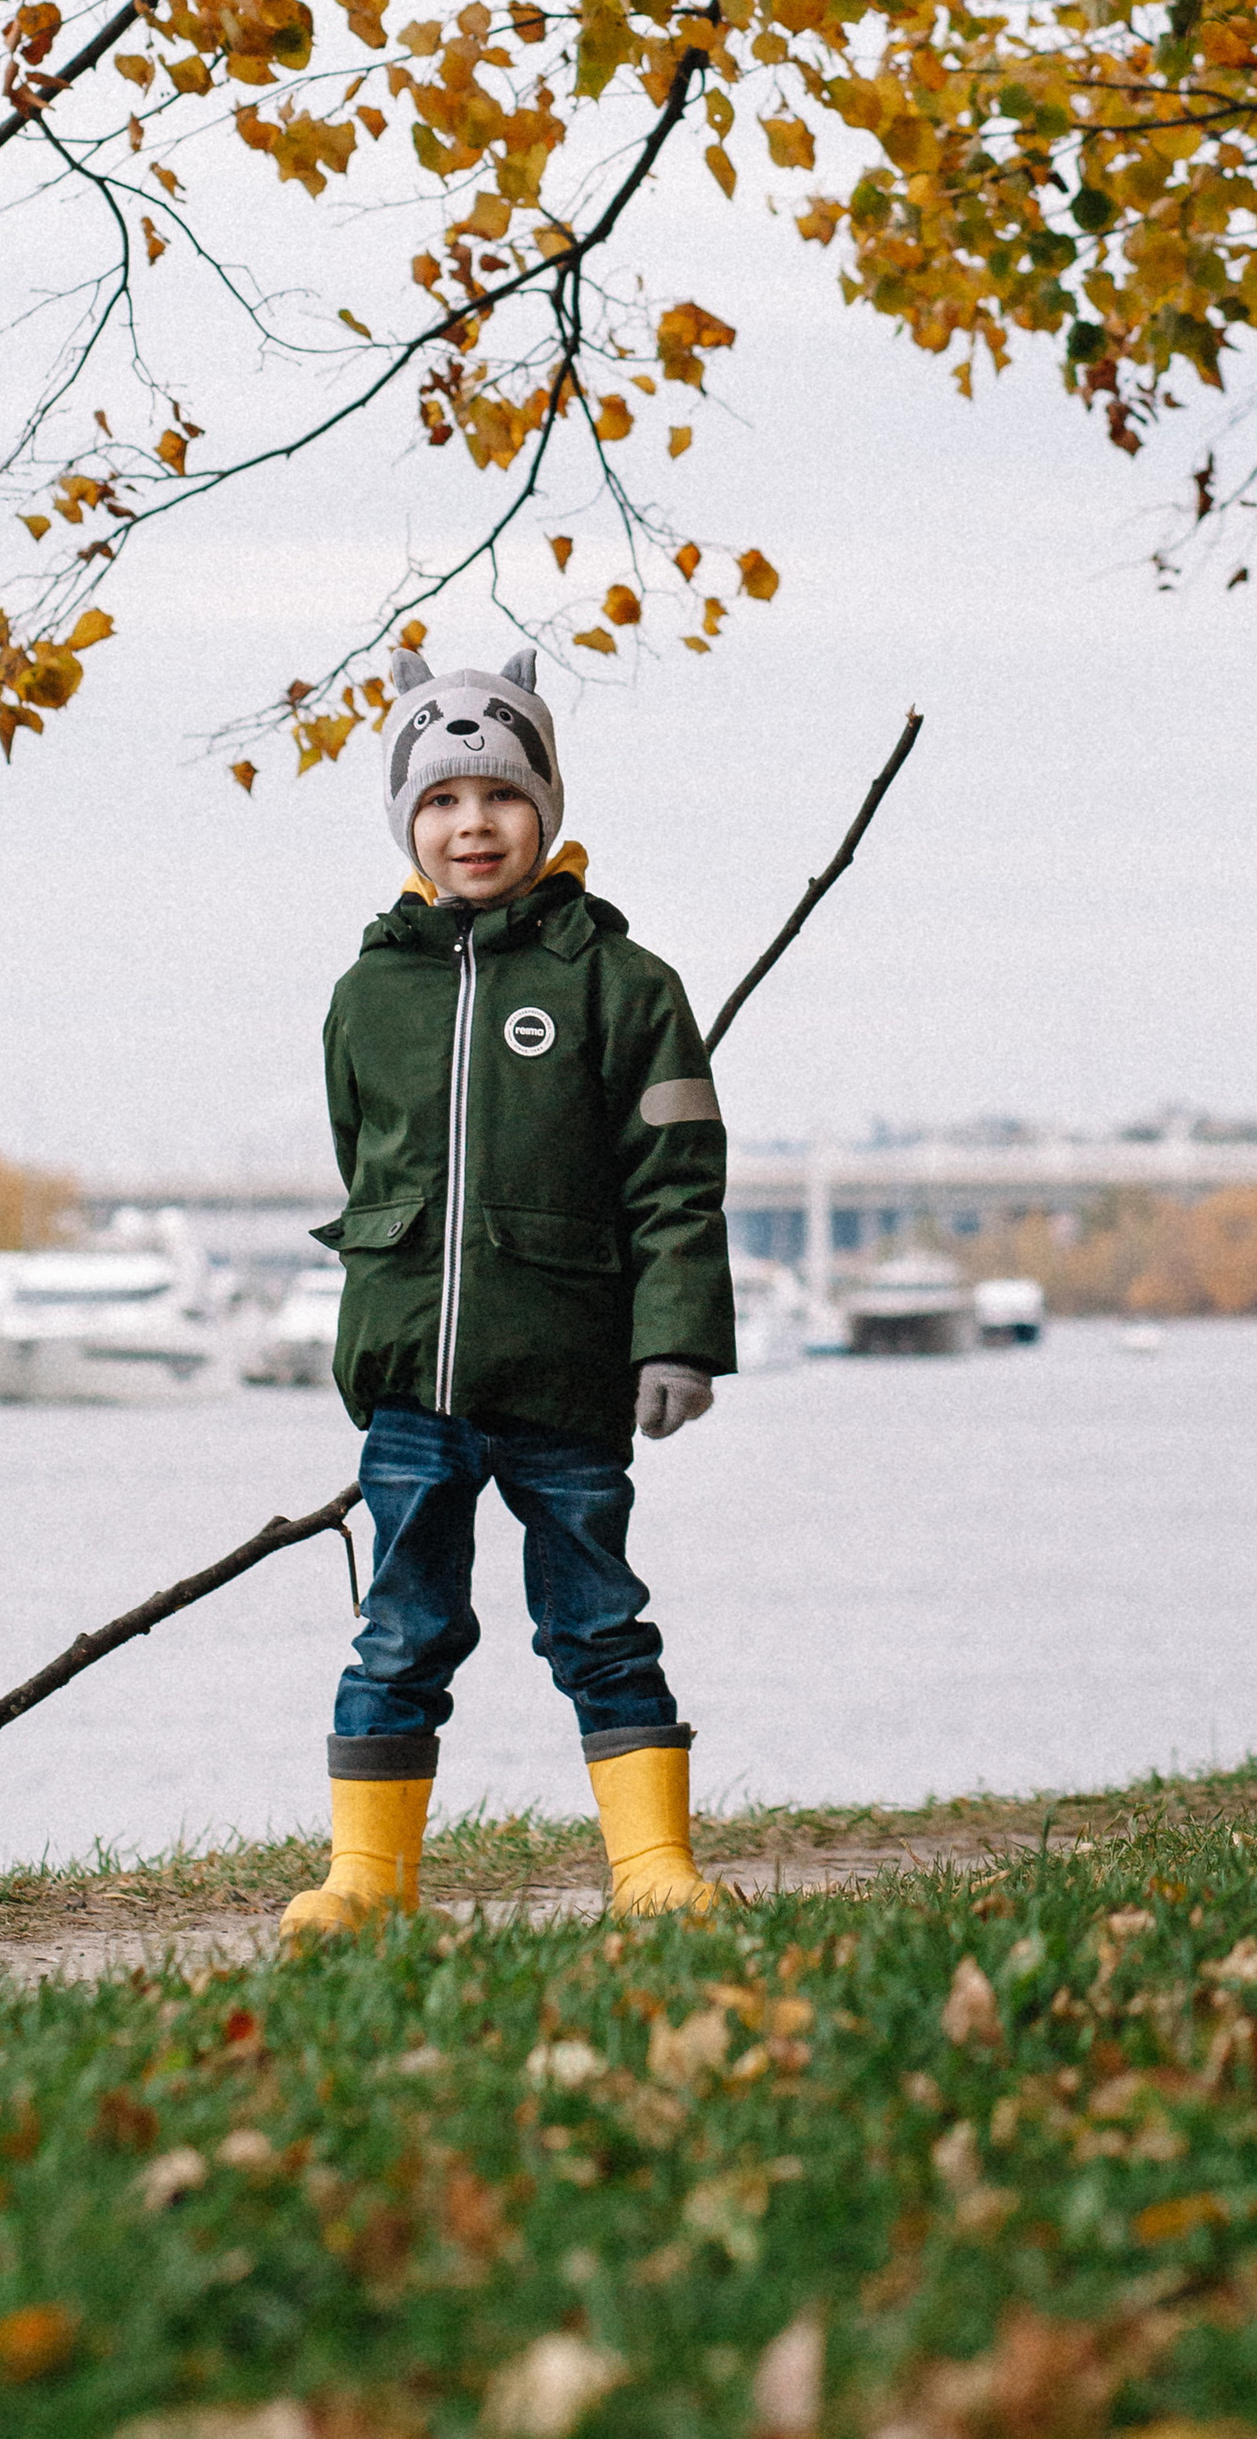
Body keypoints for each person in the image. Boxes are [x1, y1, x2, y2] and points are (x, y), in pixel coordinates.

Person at [279, 645, 736, 1943]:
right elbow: (362, 1161)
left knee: (597, 1620)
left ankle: (653, 1864)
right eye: (438, 801)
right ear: (406, 825)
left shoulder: (622, 985)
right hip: (416, 1393)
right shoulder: (370, 995)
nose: (470, 824)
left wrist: (676, 1340)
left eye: (498, 796)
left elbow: (675, 1177)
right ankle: (368, 1880)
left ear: (547, 807)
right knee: (399, 1636)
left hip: (569, 1372)